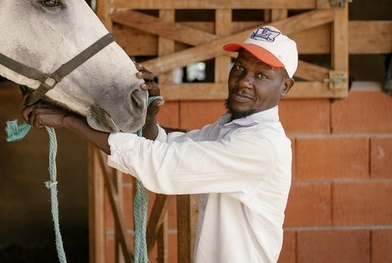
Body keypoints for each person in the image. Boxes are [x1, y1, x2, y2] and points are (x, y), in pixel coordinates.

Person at [22, 25, 297, 263]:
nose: (243, 82)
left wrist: (67, 120)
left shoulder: (263, 145)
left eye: (261, 75)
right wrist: (149, 112)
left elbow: (164, 166)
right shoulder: (230, 128)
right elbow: (168, 146)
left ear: (285, 87)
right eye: (239, 67)